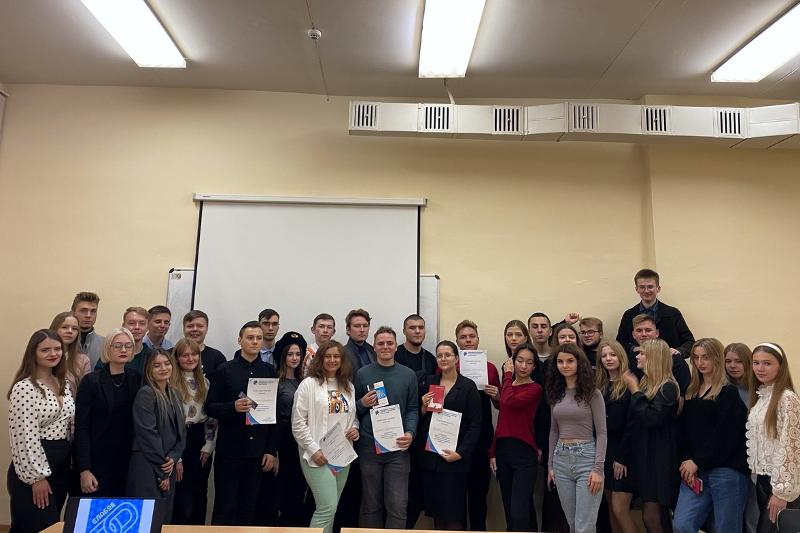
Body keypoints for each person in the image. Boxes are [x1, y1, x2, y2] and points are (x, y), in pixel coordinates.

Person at [205, 321, 279, 525]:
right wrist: (232, 407)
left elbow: (273, 413)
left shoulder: (269, 371)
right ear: (240, 340)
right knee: (225, 507)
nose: (255, 342)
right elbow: (210, 407)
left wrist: (271, 450)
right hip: (230, 451)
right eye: (250, 337)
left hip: (257, 453)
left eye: (258, 338)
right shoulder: (225, 370)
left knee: (249, 508)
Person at [672, 338, 749, 533]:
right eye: (696, 358)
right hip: (695, 471)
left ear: (716, 358)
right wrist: (687, 461)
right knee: (681, 524)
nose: (700, 362)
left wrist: (697, 461)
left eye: (705, 357)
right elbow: (684, 433)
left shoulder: (728, 392)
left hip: (726, 470)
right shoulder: (691, 392)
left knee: (726, 528)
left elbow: (727, 437)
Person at [7, 329, 75, 533]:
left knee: (52, 525)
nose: (53, 354)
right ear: (33, 353)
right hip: (34, 468)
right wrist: (37, 477)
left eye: (57, 349)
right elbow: (24, 437)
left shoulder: (63, 383)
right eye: (45, 350)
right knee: (38, 526)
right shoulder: (25, 388)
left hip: (61, 465)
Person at [354, 326, 419, 528]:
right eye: (380, 343)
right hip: (369, 448)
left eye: (389, 343)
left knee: (397, 506)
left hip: (398, 449)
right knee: (370, 505)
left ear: (396, 346)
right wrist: (362, 403)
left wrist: (410, 433)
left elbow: (413, 409)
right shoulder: (362, 374)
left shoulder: (408, 375)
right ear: (374, 347)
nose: (385, 347)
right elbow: (351, 410)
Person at [293, 340, 359, 533]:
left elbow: (352, 417)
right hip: (317, 455)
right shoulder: (308, 385)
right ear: (320, 359)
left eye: (336, 356)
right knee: (326, 508)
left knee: (332, 508)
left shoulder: (348, 386)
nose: (332, 360)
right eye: (327, 356)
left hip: (342, 454)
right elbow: (298, 424)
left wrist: (355, 428)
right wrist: (314, 450)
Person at [416, 340, 482, 530]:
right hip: (431, 458)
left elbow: (475, 425)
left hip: (454, 460)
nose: (443, 359)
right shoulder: (430, 382)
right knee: (436, 514)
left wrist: (460, 453)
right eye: (439, 355)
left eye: (447, 355)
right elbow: (421, 418)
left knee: (453, 515)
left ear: (456, 358)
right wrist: (422, 407)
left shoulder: (468, 386)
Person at [73, 328, 142, 498]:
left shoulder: (136, 378)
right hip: (97, 460)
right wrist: (84, 469)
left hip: (126, 460)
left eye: (128, 346)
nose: (123, 350)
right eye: (117, 345)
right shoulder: (91, 381)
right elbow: (81, 427)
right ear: (107, 348)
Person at [546, 343, 607, 533]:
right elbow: (554, 431)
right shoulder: (556, 393)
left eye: (570, 361)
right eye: (560, 361)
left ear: (579, 363)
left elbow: (602, 432)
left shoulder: (593, 394)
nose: (565, 365)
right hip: (561, 459)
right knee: (572, 524)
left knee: (584, 526)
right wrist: (550, 465)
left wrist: (598, 468)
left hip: (586, 459)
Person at [621, 338, 680, 533]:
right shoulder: (647, 384)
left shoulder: (668, 387)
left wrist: (634, 390)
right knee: (654, 515)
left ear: (654, 357)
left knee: (653, 516)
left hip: (659, 460)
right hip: (646, 458)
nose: (637, 357)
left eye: (642, 353)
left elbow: (651, 418)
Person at [256, 331, 309, 526]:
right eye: (290, 354)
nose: (294, 358)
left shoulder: (306, 382)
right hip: (280, 438)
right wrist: (273, 450)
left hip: (300, 440)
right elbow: (268, 418)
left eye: (298, 354)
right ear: (282, 355)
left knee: (296, 490)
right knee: (274, 491)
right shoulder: (274, 382)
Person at [127, 348, 186, 523]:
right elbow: (147, 434)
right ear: (149, 369)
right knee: (146, 519)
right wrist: (163, 471)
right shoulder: (146, 394)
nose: (163, 368)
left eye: (167, 364)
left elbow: (181, 432)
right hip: (148, 465)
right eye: (157, 365)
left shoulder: (175, 394)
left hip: (168, 465)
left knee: (164, 518)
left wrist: (174, 458)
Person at [489, 343, 543, 532]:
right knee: (510, 507)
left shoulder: (535, 388)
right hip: (503, 450)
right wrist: (492, 452)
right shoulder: (508, 387)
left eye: (529, 362)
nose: (523, 366)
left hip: (524, 452)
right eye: (519, 361)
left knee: (518, 512)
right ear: (513, 361)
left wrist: (507, 374)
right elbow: (502, 421)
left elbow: (508, 401)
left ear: (534, 367)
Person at [747, 342, 800, 533]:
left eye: (767, 363)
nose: (760, 368)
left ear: (780, 366)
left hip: (780, 483)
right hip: (763, 481)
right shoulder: (763, 396)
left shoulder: (787, 398)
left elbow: (791, 446)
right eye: (756, 363)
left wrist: (782, 491)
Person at [454, 320, 501, 531]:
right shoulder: (448, 365)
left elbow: (500, 405)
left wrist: (496, 395)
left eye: (471, 336)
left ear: (478, 340)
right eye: (463, 337)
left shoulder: (490, 368)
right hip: (455, 439)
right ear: (457, 341)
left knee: (479, 497)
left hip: (482, 440)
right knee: (456, 498)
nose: (468, 340)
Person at [394, 314, 436, 528]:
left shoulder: (431, 360)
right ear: (404, 331)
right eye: (412, 327)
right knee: (400, 492)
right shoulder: (395, 355)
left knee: (419, 492)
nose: (417, 331)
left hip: (424, 434)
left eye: (421, 327)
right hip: (397, 433)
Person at [531, 315, 570, 533]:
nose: (539, 330)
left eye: (544, 326)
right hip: (545, 436)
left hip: (576, 442)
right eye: (535, 327)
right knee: (550, 491)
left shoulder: (561, 363)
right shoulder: (531, 361)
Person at [171, 338, 217, 525]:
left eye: (194, 354)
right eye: (185, 355)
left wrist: (209, 445)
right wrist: (176, 457)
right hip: (178, 439)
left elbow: (211, 418)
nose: (190, 359)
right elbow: (169, 422)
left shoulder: (205, 382)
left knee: (199, 493)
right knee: (181, 496)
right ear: (177, 358)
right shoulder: (170, 382)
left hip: (200, 441)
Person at [594, 340, 637, 533]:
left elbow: (633, 424)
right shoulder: (599, 386)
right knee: (611, 509)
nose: (608, 359)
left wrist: (623, 457)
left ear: (621, 357)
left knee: (620, 509)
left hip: (624, 452)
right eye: (604, 356)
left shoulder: (630, 383)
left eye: (612, 355)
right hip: (604, 452)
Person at [616, 269, 694, 357]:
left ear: (658, 288)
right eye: (642, 287)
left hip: (669, 363)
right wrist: (633, 349)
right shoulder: (629, 315)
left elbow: (690, 342)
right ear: (636, 289)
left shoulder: (673, 314)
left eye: (650, 287)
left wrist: (678, 351)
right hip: (638, 363)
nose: (646, 291)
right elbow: (619, 344)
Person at [628, 314, 691, 396]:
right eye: (639, 331)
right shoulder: (631, 358)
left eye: (648, 330)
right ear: (633, 335)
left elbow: (684, 394)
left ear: (657, 333)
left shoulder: (673, 358)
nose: (644, 334)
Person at [49, 312, 91, 393]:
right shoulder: (44, 356)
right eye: (64, 327)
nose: (70, 331)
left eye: (74, 329)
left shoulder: (83, 360)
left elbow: (87, 391)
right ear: (55, 329)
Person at [183, 310, 227, 377]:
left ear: (206, 329)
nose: (195, 329)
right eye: (190, 326)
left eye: (200, 326)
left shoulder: (217, 358)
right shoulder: (171, 354)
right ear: (183, 329)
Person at [71, 291, 105, 368]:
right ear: (73, 312)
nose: (88, 315)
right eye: (83, 311)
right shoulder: (61, 343)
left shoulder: (105, 344)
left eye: (93, 311)